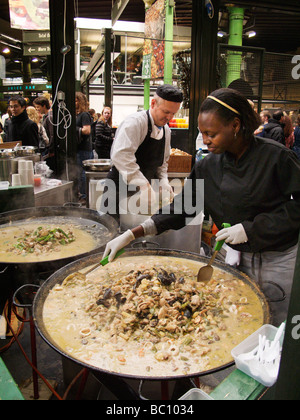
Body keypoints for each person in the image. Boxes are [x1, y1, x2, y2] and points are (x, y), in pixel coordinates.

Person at [103, 88, 300, 326]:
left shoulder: (275, 157)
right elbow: (184, 207)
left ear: (235, 125)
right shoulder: (209, 166)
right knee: (243, 320)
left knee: (276, 323)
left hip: (278, 259)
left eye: (211, 134)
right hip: (238, 257)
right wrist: (133, 233)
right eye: (202, 133)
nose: (205, 140)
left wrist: (250, 229)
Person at [103, 84, 183, 217]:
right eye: (166, 112)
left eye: (173, 113)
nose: (169, 118)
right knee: (112, 229)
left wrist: (163, 181)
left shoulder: (166, 131)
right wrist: (143, 185)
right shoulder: (135, 123)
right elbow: (121, 157)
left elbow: (162, 163)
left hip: (143, 192)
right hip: (118, 189)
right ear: (153, 103)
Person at [75, 92, 93, 204]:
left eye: (76, 100)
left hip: (84, 148)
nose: (74, 103)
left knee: (83, 173)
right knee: (79, 172)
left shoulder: (84, 115)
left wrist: (75, 129)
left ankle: (84, 196)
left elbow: (87, 130)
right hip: (79, 148)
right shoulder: (76, 115)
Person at [33, 96, 55, 168]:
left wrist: (51, 150)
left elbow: (52, 135)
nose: (36, 109)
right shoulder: (46, 117)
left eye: (38, 107)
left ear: (44, 106)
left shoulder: (50, 117)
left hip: (50, 150)